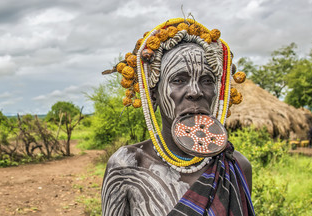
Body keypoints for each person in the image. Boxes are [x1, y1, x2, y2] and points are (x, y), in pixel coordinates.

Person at [101, 18, 254, 216]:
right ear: (153, 93)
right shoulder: (126, 166)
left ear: (217, 91)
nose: (196, 91)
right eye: (179, 80)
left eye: (207, 80)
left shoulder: (236, 166)